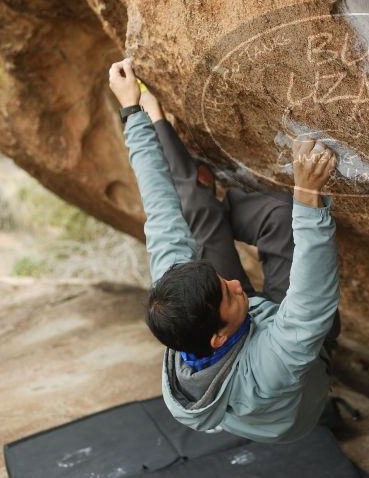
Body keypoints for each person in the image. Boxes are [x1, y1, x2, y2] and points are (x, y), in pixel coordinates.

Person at [108, 57, 341, 443]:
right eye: (229, 293)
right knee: (286, 216)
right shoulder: (269, 370)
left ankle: (159, 123)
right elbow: (309, 306)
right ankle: (217, 200)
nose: (237, 283)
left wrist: (132, 112)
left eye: (223, 282)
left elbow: (161, 210)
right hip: (295, 355)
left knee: (193, 210)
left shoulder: (182, 304)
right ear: (217, 337)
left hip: (247, 328)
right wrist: (307, 193)